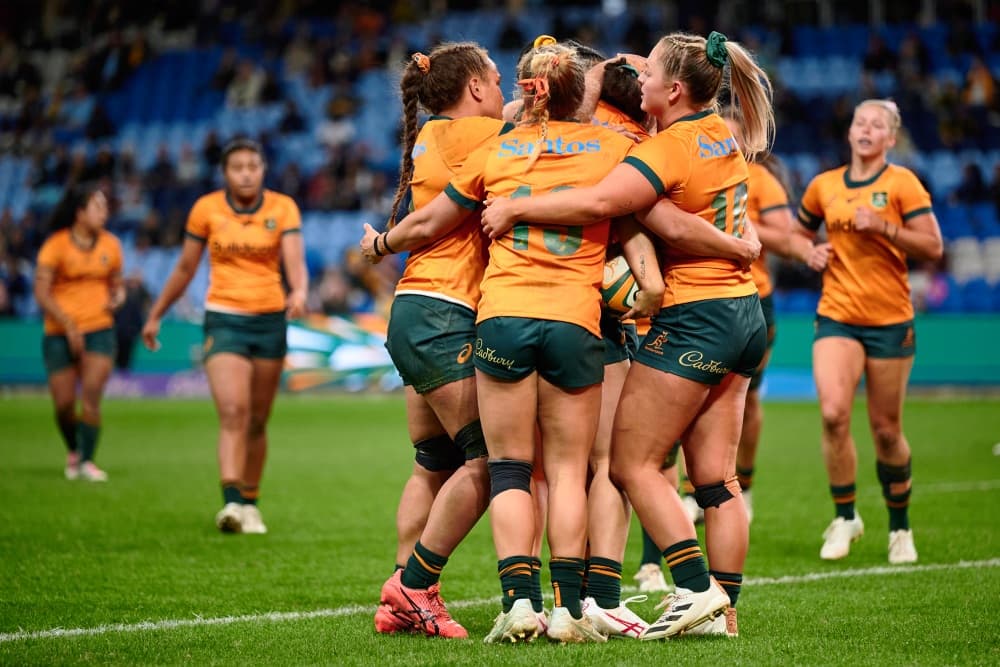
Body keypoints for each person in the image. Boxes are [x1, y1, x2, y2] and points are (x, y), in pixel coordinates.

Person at [480, 30, 774, 639]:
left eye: (649, 74)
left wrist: (515, 208)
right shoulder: (721, 133)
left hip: (695, 313)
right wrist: (740, 247)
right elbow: (664, 216)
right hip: (744, 312)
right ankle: (726, 612)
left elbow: (600, 204)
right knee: (717, 479)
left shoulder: (657, 152)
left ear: (672, 89)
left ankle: (695, 590)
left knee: (632, 464)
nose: (636, 80)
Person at [361, 43, 506, 640]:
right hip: (446, 312)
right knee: (493, 460)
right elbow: (539, 117)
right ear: (474, 89)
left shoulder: (437, 135)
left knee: (433, 463)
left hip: (417, 308)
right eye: (497, 80)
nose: (506, 91)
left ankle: (399, 595)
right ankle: (416, 585)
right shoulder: (473, 135)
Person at [791, 99, 943, 564]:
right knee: (834, 414)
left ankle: (900, 527)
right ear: (850, 130)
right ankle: (845, 515)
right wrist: (807, 253)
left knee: (886, 430)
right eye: (860, 121)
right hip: (836, 314)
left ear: (890, 139)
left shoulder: (902, 184)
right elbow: (798, 233)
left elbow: (933, 246)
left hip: (890, 319)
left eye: (877, 125)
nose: (866, 129)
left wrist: (884, 228)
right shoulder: (824, 185)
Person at [141, 138, 307, 535]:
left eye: (253, 165)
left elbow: (295, 261)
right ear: (225, 173)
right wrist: (156, 314)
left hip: (270, 320)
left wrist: (299, 291)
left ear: (264, 169)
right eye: (238, 167)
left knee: (258, 420)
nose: (247, 173)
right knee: (234, 411)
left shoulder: (283, 208)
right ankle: (231, 504)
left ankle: (250, 502)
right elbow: (184, 268)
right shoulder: (206, 209)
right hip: (224, 319)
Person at [720, 106, 797, 522]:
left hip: (754, 298)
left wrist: (741, 222)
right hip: (703, 299)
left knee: (746, 399)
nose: (728, 146)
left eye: (735, 138)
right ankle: (697, 489)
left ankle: (743, 486)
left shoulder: (761, 181)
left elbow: (786, 239)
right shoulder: (699, 174)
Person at [34, 185, 124, 482]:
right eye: (97, 206)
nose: (104, 212)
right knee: (62, 405)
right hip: (59, 331)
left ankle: (87, 461)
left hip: (99, 327)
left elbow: (117, 284)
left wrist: (117, 298)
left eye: (105, 206)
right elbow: (42, 292)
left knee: (92, 395)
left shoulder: (111, 245)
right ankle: (74, 448)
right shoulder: (56, 246)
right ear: (80, 213)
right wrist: (69, 324)